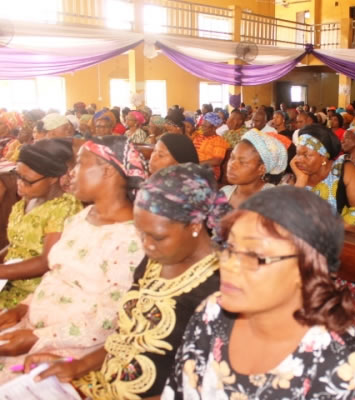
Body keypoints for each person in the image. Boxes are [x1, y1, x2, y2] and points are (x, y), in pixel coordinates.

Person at [160, 186, 355, 399]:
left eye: (254, 256)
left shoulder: (347, 374)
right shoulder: (212, 313)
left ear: (306, 268)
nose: (228, 265)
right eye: (229, 248)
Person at [24, 163, 230, 399]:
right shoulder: (154, 261)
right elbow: (126, 339)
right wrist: (78, 366)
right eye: (141, 233)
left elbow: (206, 387)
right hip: (105, 383)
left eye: (157, 237)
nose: (147, 245)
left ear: (194, 226)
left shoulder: (221, 288)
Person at [0, 136, 147, 381]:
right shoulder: (82, 217)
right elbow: (57, 272)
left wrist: (39, 338)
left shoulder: (132, 237)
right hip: (33, 324)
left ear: (108, 171)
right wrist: (23, 307)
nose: (69, 174)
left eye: (79, 164)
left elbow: (110, 318)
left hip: (72, 347)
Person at [0, 139, 83, 309]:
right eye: (17, 175)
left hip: (33, 294)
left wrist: (2, 271)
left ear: (52, 179)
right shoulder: (25, 201)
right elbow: (16, 245)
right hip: (9, 282)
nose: (19, 183)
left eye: (28, 180)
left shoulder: (64, 208)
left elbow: (47, 261)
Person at [291, 124, 355, 235]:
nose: (299, 160)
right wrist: (300, 181)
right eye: (297, 154)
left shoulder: (346, 171)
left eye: (306, 155)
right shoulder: (298, 174)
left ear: (323, 157)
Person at [221, 129, 287, 208]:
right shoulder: (224, 193)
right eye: (232, 157)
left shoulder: (272, 199)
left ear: (261, 169)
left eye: (242, 162)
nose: (232, 164)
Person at [192, 112, 229, 180]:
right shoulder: (198, 137)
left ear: (214, 128)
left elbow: (217, 161)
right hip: (195, 168)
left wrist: (196, 164)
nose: (202, 128)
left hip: (209, 172)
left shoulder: (219, 141)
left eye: (205, 126)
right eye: (202, 125)